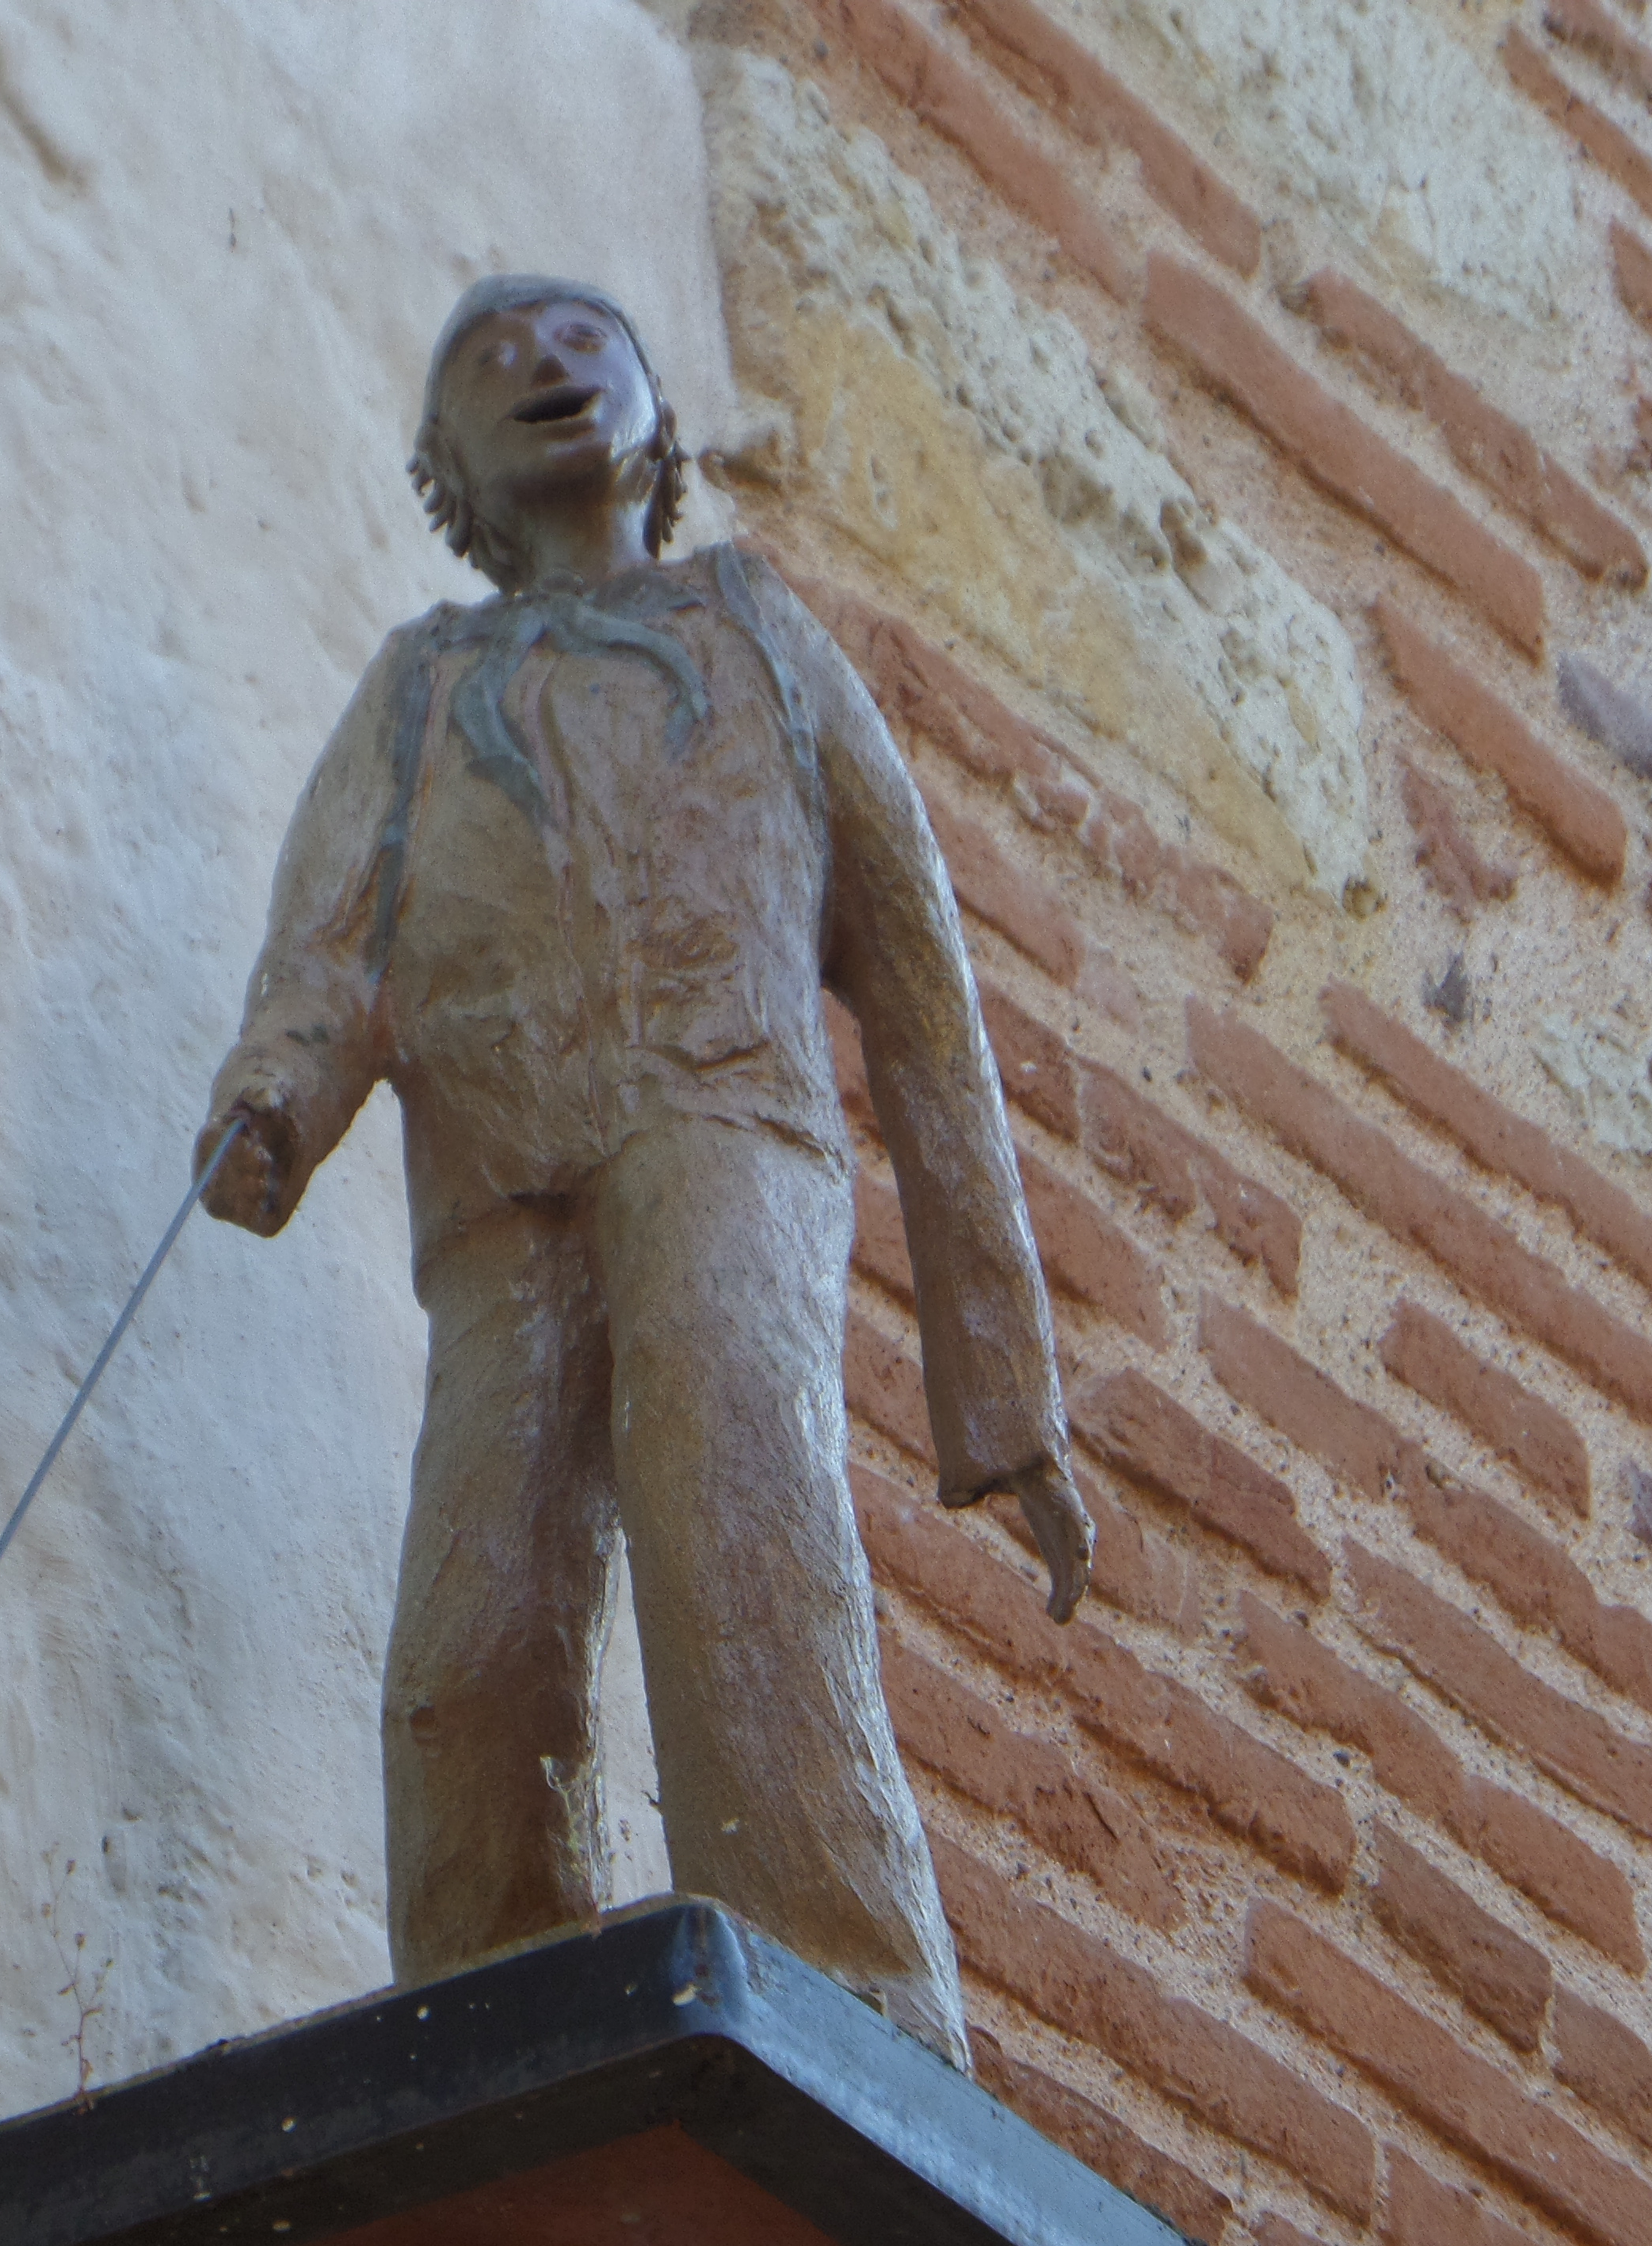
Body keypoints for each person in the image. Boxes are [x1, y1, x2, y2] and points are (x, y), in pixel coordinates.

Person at [197, 275, 1088, 2061]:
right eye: (487, 362)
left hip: (720, 1127)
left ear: (659, 417)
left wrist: (1001, 1392)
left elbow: (920, 995)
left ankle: (849, 1983)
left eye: (581, 341)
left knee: (736, 1515)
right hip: (504, 1183)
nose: (540, 366)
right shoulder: (421, 687)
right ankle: (478, 1993)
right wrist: (274, 1105)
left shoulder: (757, 628)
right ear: (442, 467)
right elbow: (330, 949)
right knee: (479, 1604)